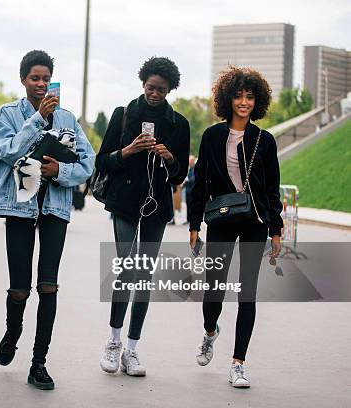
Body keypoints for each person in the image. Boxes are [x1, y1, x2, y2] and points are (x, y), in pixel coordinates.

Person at [0, 50, 95, 390]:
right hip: (19, 208)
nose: (40, 84)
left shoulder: (67, 118)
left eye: (45, 78)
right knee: (20, 289)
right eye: (34, 78)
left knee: (48, 286)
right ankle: (12, 332)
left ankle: (39, 362)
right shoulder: (6, 114)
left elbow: (87, 163)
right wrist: (37, 119)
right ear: (23, 80)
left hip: (54, 209)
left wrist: (60, 170)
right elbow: (7, 152)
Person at [188, 66, 283, 388]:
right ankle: (210, 331)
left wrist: (276, 230)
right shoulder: (213, 136)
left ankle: (238, 363)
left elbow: (272, 189)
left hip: (255, 222)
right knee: (213, 289)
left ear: (258, 101)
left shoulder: (264, 141)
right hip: (221, 220)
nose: (244, 102)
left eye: (250, 96)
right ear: (227, 99)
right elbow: (199, 183)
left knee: (247, 294)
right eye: (239, 96)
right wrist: (193, 224)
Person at [96, 57, 190, 376]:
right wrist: (129, 150)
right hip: (124, 201)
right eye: (150, 87)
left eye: (161, 90)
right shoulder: (124, 115)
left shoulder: (178, 123)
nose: (154, 94)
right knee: (126, 269)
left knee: (145, 276)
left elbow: (179, 177)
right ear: (142, 84)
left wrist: (170, 157)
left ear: (170, 90)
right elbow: (102, 161)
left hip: (156, 206)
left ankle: (132, 349)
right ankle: (113, 341)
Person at [182, 155, 196, 224]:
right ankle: (188, 219)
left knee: (191, 206)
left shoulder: (194, 169)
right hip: (188, 191)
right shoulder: (189, 169)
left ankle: (191, 220)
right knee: (188, 206)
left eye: (191, 161)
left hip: (192, 191)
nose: (190, 163)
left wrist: (186, 181)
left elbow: (192, 179)